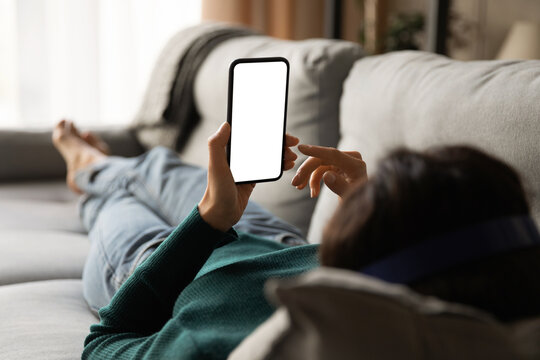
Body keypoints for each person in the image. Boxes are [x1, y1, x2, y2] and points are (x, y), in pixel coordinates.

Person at [51, 120, 539, 359]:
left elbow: (105, 343)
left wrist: (209, 221)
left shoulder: (212, 345)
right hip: (277, 241)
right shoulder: (480, 277)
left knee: (117, 203)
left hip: (166, 266)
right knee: (162, 165)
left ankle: (86, 167)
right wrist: (367, 211)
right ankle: (102, 168)